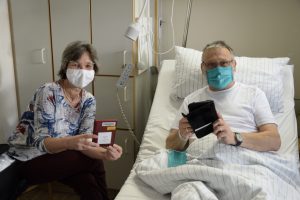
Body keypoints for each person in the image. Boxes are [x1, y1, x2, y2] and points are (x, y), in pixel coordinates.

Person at [5, 41, 122, 200]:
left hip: (64, 159)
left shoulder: (88, 100)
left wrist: (106, 153)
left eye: (88, 66)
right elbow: (41, 142)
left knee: (89, 182)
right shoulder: (48, 92)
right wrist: (71, 143)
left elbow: (85, 142)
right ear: (65, 67)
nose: (83, 70)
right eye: (76, 65)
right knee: (93, 162)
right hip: (30, 159)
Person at [166, 40, 281, 152]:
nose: (218, 69)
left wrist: (234, 137)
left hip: (242, 159)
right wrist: (181, 135)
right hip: (200, 161)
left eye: (224, 63)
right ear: (203, 68)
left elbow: (274, 141)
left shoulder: (254, 94)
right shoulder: (191, 100)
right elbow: (169, 145)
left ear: (234, 65)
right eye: (211, 64)